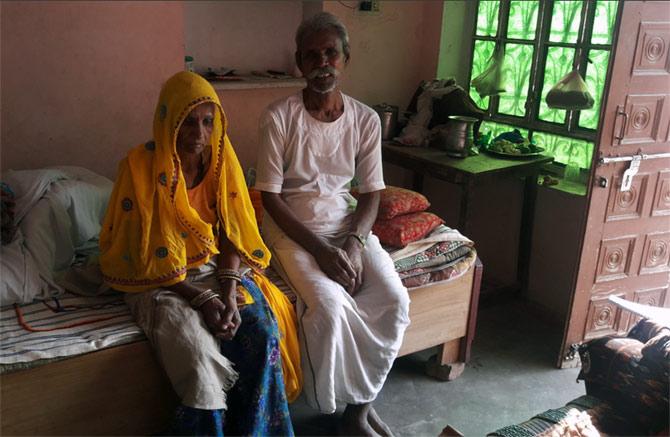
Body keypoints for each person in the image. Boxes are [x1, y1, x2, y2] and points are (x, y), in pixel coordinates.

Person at [99, 71, 301, 436]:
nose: (199, 133)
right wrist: (201, 298)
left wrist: (226, 291)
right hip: (157, 279)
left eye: (208, 122)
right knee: (197, 359)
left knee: (262, 331)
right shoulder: (138, 168)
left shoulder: (222, 164)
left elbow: (232, 233)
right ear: (169, 120)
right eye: (188, 122)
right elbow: (140, 255)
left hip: (215, 269)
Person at [255, 12, 410, 436]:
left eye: (331, 53)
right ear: (299, 64)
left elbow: (371, 193)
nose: (322, 63)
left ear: (345, 58)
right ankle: (341, 406)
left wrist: (355, 243)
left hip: (348, 231)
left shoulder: (365, 120)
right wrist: (322, 250)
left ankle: (359, 408)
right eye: (312, 56)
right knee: (329, 307)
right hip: (293, 234)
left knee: (393, 301)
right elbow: (269, 198)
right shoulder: (279, 117)